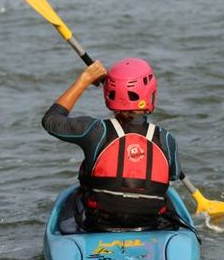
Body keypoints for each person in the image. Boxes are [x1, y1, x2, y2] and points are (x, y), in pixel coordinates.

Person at [41, 58, 186, 233]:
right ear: (150, 94)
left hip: (100, 224)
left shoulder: (95, 131)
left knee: (77, 193)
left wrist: (85, 79)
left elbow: (51, 121)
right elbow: (173, 175)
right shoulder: (166, 138)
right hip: (150, 223)